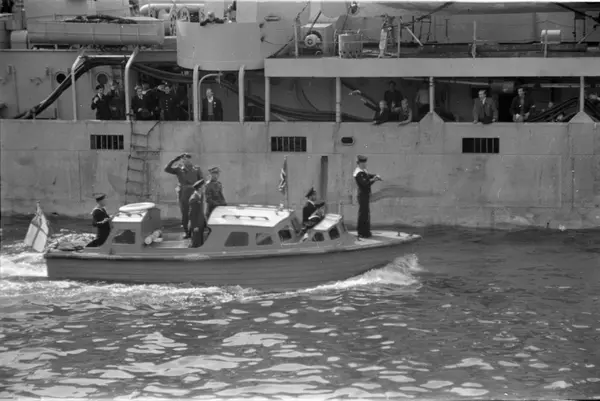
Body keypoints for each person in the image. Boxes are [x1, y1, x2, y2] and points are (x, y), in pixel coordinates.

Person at [164, 153, 204, 238]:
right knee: (185, 213)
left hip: (194, 193)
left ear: (190, 159)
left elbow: (201, 180)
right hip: (183, 194)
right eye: (184, 159)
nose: (186, 160)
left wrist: (199, 190)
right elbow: (166, 169)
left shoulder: (196, 169)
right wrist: (174, 160)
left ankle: (195, 231)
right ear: (181, 160)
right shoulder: (179, 169)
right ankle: (187, 232)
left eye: (187, 158)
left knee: (195, 212)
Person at [353, 155, 381, 238]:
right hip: (362, 195)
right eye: (364, 163)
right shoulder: (358, 173)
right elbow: (365, 184)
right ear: (360, 163)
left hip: (365, 195)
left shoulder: (363, 171)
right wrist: (374, 180)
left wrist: (375, 175)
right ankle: (362, 233)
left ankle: (366, 231)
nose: (365, 164)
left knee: (366, 214)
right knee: (363, 214)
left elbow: (368, 175)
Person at [188, 179, 206, 248]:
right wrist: (195, 226)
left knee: (200, 241)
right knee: (196, 242)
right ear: (199, 188)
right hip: (196, 224)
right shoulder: (194, 199)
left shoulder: (200, 195)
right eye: (203, 187)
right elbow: (192, 214)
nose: (204, 188)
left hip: (200, 222)